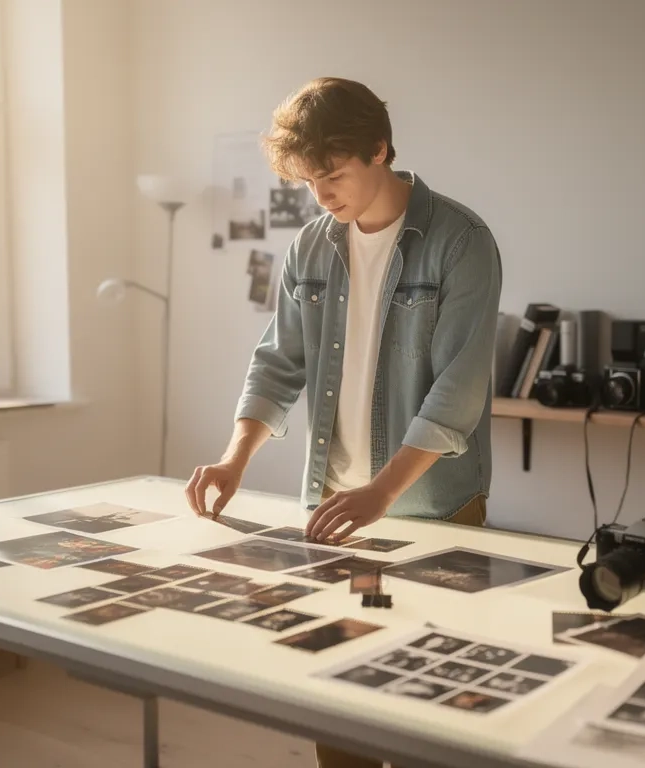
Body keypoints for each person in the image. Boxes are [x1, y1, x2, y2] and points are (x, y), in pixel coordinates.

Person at [185, 77, 502, 765]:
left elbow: (459, 393)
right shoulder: (311, 248)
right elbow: (277, 362)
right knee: (339, 713)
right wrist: (234, 458)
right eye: (307, 181)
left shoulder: (460, 241)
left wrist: (382, 492)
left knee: (429, 715)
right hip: (331, 512)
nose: (320, 195)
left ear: (379, 149)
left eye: (330, 175)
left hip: (432, 510)